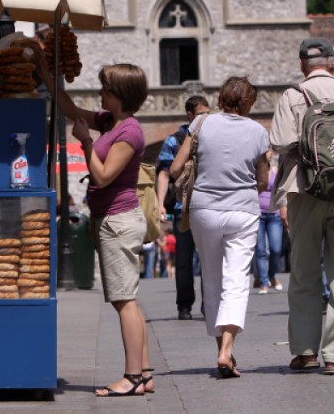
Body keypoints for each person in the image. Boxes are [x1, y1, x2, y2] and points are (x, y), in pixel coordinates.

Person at [37, 60, 153, 396]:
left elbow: (103, 176)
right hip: (113, 219)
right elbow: (69, 107)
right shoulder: (110, 121)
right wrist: (45, 72)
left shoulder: (129, 131)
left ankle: (131, 378)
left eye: (105, 88)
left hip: (118, 221)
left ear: (120, 94)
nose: (100, 92)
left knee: (124, 300)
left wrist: (86, 143)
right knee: (128, 300)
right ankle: (144, 374)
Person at [171, 76, 269, 379]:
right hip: (242, 210)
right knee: (237, 279)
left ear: (221, 98)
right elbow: (263, 181)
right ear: (249, 101)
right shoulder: (258, 132)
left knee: (211, 279)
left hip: (204, 210)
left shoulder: (200, 124)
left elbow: (175, 168)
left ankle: (220, 350)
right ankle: (227, 349)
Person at [269, 37, 334, 374]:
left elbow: (279, 142)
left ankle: (307, 351)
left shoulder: (294, 95)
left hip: (304, 189)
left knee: (305, 271)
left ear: (301, 64)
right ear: (332, 62)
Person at [156, 95, 210, 320]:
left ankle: (210, 304)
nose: (205, 119)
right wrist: (160, 204)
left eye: (208, 114)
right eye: (200, 115)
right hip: (182, 208)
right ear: (189, 115)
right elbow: (164, 172)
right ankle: (184, 305)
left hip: (208, 207)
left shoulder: (213, 135)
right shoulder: (174, 140)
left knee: (210, 259)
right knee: (184, 259)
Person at [254, 150, 284, 294]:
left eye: (269, 150)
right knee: (260, 251)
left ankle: (271, 276)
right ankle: (264, 282)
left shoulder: (276, 170)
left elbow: (281, 191)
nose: (268, 153)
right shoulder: (254, 170)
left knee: (275, 249)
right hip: (257, 214)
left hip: (274, 214)